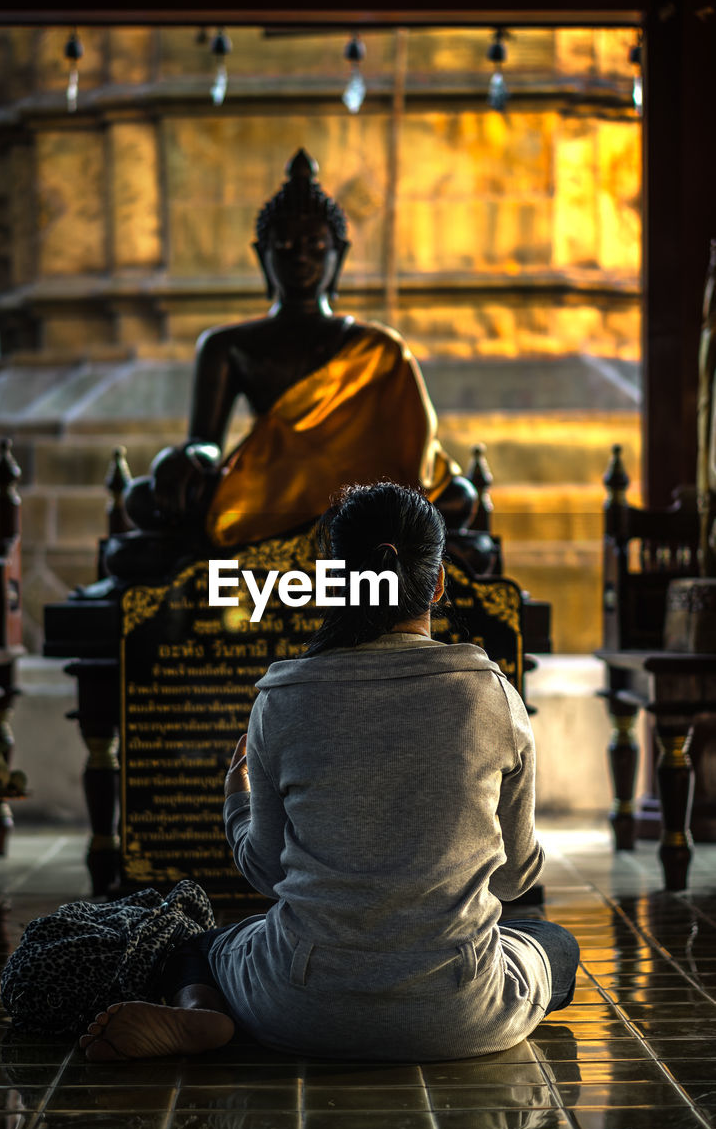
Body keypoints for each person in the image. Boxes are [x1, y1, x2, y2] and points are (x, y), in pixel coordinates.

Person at [80, 481, 579, 1063]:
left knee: (194, 946)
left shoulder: (281, 699)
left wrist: (236, 803)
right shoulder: (491, 695)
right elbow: (516, 878)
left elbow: (267, 874)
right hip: (462, 1010)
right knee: (553, 943)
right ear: (438, 582)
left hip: (296, 1001)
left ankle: (201, 1012)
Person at [122, 150, 476, 555]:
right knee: (144, 499)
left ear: (337, 255)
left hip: (356, 497)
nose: (300, 256)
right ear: (262, 255)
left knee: (458, 498)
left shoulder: (379, 348)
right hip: (267, 492)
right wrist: (185, 456)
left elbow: (412, 456)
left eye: (315, 244)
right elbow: (207, 442)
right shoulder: (226, 345)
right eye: (285, 244)